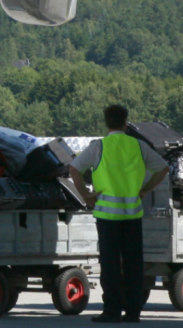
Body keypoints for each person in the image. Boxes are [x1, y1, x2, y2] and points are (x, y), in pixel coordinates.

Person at [69, 105, 170, 323]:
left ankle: (112, 310)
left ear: (106, 123)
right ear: (126, 122)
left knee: (110, 265)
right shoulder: (138, 146)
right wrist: (145, 190)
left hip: (107, 218)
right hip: (132, 216)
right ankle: (133, 312)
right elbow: (163, 168)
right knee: (134, 265)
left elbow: (74, 169)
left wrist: (86, 195)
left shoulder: (99, 147)